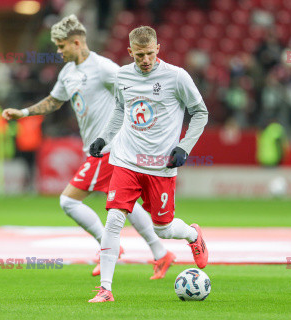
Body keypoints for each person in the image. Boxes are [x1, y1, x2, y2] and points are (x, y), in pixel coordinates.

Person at [2, 15, 175, 280]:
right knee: (126, 206)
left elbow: (133, 91)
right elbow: (53, 101)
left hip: (108, 149)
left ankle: (107, 247)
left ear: (76, 42)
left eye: (61, 46)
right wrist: (24, 113)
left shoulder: (104, 68)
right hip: (97, 150)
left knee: (68, 201)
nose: (58, 52)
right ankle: (161, 252)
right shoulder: (68, 73)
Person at [88, 26, 209, 303]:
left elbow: (200, 112)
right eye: (139, 54)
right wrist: (104, 138)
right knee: (114, 219)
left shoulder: (176, 77)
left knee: (163, 228)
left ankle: (192, 234)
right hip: (126, 160)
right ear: (130, 51)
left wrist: (184, 147)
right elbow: (121, 109)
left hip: (160, 166)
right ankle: (106, 289)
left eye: (150, 53)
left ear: (159, 49)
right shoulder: (123, 75)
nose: (145, 59)